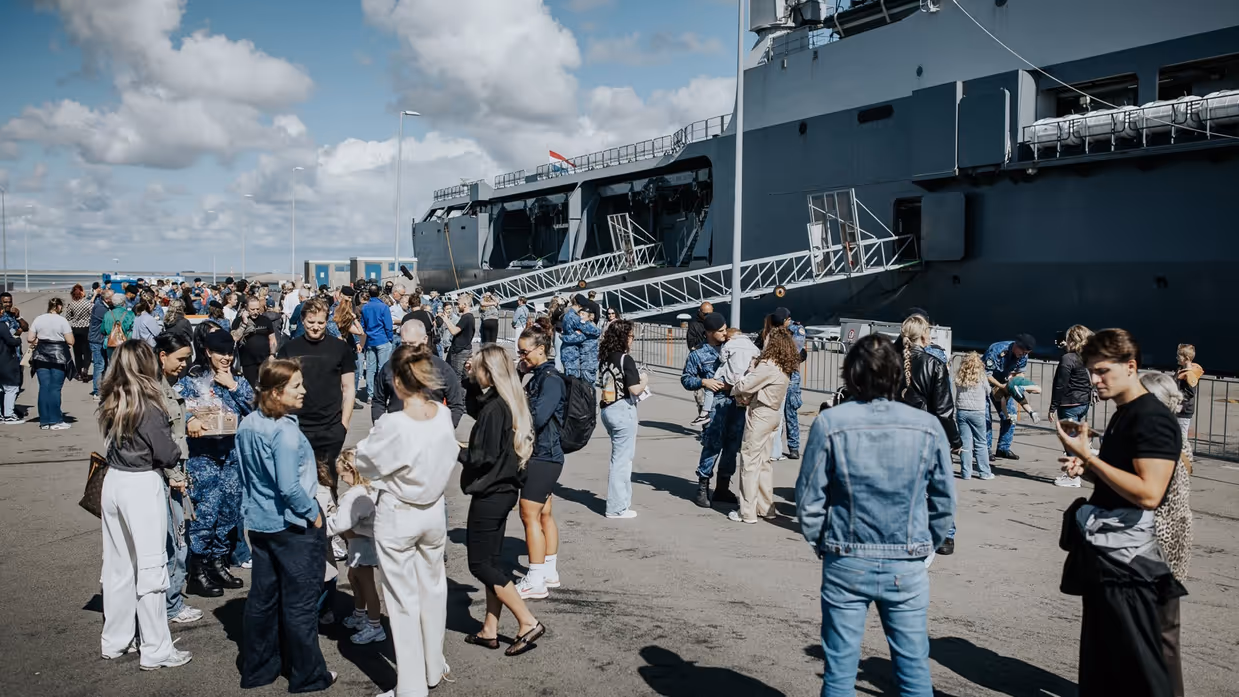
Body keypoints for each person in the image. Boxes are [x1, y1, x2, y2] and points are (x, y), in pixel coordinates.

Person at [795, 334, 955, 697]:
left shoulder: (831, 422)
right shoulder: (927, 427)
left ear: (851, 376)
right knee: (914, 669)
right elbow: (944, 502)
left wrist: (824, 542)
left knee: (839, 671)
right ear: (899, 377)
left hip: (847, 557)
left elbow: (808, 498)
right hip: (907, 561)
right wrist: (925, 545)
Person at [1056, 328, 1185, 697]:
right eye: (1091, 371)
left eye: (1102, 372)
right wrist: (1088, 467)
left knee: (1140, 676)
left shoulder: (1152, 418)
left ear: (1131, 367)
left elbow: (1148, 493)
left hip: (1129, 569)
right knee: (1102, 671)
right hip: (1106, 559)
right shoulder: (1124, 413)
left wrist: (1088, 457)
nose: (1094, 380)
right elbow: (1124, 479)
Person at [356, 344, 458, 695]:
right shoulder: (442, 415)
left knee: (402, 602)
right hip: (432, 510)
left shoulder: (393, 423)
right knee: (433, 590)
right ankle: (433, 665)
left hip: (399, 512)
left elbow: (365, 462)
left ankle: (412, 687)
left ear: (398, 381)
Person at [235, 359, 337, 692]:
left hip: (261, 523)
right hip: (293, 527)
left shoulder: (248, 424)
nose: (303, 390)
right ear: (277, 392)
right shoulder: (285, 432)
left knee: (263, 599)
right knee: (300, 604)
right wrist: (313, 512)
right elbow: (289, 486)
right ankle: (307, 674)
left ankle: (260, 667)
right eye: (296, 386)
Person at [98, 340, 194, 670]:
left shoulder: (113, 398)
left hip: (113, 480)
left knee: (118, 566)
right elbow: (167, 452)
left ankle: (116, 639)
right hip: (141, 482)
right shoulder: (148, 405)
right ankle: (156, 648)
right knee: (152, 568)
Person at [461, 343, 548, 655]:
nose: (473, 373)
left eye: (477, 369)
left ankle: (526, 621)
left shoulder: (495, 409)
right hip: (505, 489)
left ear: (489, 373)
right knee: (493, 562)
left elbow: (480, 457)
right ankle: (490, 628)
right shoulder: (507, 402)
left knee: (480, 564)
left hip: (491, 491)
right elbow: (474, 405)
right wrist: (467, 377)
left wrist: (454, 450)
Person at [179, 329, 255, 597]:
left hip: (233, 456)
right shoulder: (192, 379)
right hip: (205, 456)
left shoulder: (237, 378)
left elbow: (256, 407)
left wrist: (232, 384)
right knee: (207, 512)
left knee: (230, 510)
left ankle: (219, 563)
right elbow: (179, 406)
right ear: (208, 352)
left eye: (229, 353)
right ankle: (198, 570)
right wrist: (189, 420)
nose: (225, 357)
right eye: (220, 352)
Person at [1140, 371, 1194, 697]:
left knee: (1154, 632)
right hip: (1174, 539)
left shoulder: (1156, 435)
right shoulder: (1175, 431)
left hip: (1155, 543)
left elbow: (1147, 492)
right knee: (1166, 633)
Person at [277, 297, 355, 490]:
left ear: (327, 321)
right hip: (297, 427)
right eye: (311, 322)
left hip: (331, 428)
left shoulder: (340, 348)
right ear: (303, 320)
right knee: (297, 484)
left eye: (320, 322)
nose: (315, 327)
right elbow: (278, 388)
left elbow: (349, 388)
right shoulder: (289, 349)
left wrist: (343, 425)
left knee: (328, 484)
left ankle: (328, 519)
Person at [154, 333, 203, 625]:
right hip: (167, 473)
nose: (184, 364)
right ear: (162, 356)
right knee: (175, 540)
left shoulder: (165, 385)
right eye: (180, 358)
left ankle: (169, 602)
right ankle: (171, 605)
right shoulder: (156, 388)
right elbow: (162, 436)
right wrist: (176, 476)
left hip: (170, 471)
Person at [515, 324, 566, 600]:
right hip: (547, 454)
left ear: (541, 349)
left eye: (525, 352)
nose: (522, 356)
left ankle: (535, 578)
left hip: (543, 455)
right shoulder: (538, 376)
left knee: (528, 514)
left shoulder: (550, 380)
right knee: (544, 513)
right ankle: (548, 570)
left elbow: (538, 417)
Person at [728, 327, 797, 524]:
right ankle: (766, 507)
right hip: (774, 414)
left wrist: (737, 385)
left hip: (761, 413)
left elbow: (745, 385)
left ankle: (746, 511)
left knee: (749, 461)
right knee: (765, 462)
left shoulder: (768, 365)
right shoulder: (784, 365)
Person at [681, 313, 742, 507]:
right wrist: (703, 381)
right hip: (714, 407)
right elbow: (686, 379)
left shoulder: (733, 348)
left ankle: (723, 486)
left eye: (725, 329)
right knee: (712, 446)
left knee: (733, 446)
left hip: (735, 403)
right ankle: (702, 486)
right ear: (709, 332)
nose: (725, 333)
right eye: (721, 331)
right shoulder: (698, 354)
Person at [325, 449, 384, 645]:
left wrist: (320, 527)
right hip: (362, 542)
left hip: (362, 545)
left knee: (366, 584)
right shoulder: (371, 489)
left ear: (352, 469)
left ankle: (375, 625)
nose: (342, 480)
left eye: (343, 475)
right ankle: (360, 614)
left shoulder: (355, 495)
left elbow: (341, 523)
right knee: (354, 577)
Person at [372, 320, 466, 428]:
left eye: (412, 343)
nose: (407, 348)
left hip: (431, 434)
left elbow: (456, 404)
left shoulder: (442, 369)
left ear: (425, 339)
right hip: (397, 433)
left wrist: (445, 430)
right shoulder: (389, 367)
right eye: (404, 343)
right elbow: (378, 401)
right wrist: (380, 427)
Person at [598, 319, 648, 519]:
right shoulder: (625, 359)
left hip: (607, 408)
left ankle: (621, 503)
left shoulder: (605, 357)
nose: (633, 340)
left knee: (618, 457)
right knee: (622, 460)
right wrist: (644, 380)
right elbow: (635, 388)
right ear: (623, 338)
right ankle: (617, 507)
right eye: (631, 336)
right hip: (622, 409)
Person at [1050, 325, 1094, 487]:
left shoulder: (1068, 358)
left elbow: (1060, 384)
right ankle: (1080, 461)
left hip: (1069, 403)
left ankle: (1072, 476)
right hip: (1083, 402)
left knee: (1069, 440)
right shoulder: (1086, 356)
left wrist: (1053, 406)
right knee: (1073, 437)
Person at [983, 333, 1035, 460]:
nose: (1023, 355)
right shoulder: (997, 349)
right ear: (1016, 346)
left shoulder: (1024, 355)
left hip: (1002, 383)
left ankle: (1003, 448)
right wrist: (1002, 386)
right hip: (984, 382)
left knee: (1010, 415)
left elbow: (1019, 373)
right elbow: (987, 374)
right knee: (985, 417)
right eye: (1022, 352)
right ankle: (985, 449)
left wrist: (1022, 385)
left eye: (1026, 353)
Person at [29, 298, 76, 430]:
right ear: (59, 307)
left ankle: (44, 421)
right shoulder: (62, 320)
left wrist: (41, 338)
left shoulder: (39, 319)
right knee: (55, 388)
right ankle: (55, 420)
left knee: (44, 387)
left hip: (40, 355)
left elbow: (30, 338)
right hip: (58, 355)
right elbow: (71, 341)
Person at [954, 352, 992, 480]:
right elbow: (988, 391)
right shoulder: (981, 377)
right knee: (981, 442)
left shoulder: (960, 376)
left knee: (965, 442)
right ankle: (984, 472)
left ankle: (966, 472)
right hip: (977, 411)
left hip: (962, 410)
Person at [232, 296, 277, 389]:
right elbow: (235, 338)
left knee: (267, 387)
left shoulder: (265, 320)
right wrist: (244, 323)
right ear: (246, 308)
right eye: (252, 309)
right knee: (251, 388)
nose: (255, 312)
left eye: (257, 309)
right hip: (248, 361)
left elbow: (272, 338)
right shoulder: (238, 321)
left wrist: (272, 354)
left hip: (265, 359)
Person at [360, 285, 394, 402]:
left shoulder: (365, 307)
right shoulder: (383, 307)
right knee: (383, 368)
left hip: (370, 340)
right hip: (382, 339)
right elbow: (388, 325)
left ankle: (371, 394)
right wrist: (390, 338)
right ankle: (382, 392)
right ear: (379, 293)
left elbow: (362, 326)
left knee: (370, 368)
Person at [560, 295, 601, 385]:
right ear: (579, 306)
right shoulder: (574, 318)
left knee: (570, 381)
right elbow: (592, 330)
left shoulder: (567, 315)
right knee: (573, 382)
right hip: (572, 352)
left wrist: (564, 337)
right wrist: (598, 331)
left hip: (568, 350)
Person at [440, 292, 476, 385]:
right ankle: (464, 397)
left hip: (460, 351)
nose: (457, 306)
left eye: (458, 304)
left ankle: (458, 397)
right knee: (464, 377)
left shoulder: (466, 317)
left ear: (464, 305)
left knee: (456, 377)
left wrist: (446, 320)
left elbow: (454, 331)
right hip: (465, 349)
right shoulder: (469, 317)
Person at [1174, 344, 1202, 462]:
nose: (1176, 358)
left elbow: (1190, 393)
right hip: (1178, 408)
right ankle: (1178, 458)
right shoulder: (1180, 370)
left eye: (1179, 356)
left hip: (1184, 410)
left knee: (1182, 437)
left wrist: (1177, 397)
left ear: (1187, 358)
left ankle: (1185, 460)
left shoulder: (1190, 374)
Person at [66, 284, 94, 382]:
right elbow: (92, 315)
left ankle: (78, 372)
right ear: (82, 292)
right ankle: (85, 368)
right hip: (86, 328)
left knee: (77, 352)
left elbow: (68, 317)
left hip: (75, 329)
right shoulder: (88, 304)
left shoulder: (71, 304)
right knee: (87, 351)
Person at [88, 288, 113, 398]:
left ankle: (102, 388)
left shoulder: (104, 306)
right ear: (107, 299)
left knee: (104, 364)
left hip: (101, 339)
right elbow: (110, 320)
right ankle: (97, 391)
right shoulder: (100, 308)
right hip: (97, 339)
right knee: (100, 365)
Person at [0, 311, 21, 423]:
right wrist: (18, 340)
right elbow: (10, 340)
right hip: (4, 359)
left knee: (1, 388)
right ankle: (8, 415)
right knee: (11, 388)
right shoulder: (2, 325)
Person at [102, 292, 135, 362]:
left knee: (112, 364)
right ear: (123, 302)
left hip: (111, 343)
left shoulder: (107, 314)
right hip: (125, 343)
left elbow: (102, 330)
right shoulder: (129, 314)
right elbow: (133, 329)